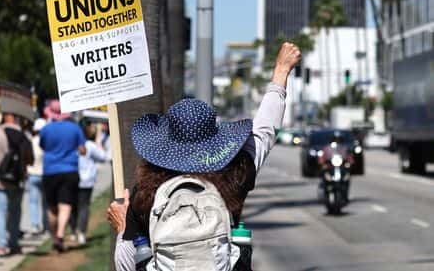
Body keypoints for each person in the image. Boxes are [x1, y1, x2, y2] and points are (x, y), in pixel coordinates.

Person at [110, 42, 301, 270]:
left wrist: (123, 230)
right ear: (214, 139)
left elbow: (127, 265)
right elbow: (264, 131)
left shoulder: (145, 194)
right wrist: (281, 71)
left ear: (163, 145)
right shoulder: (235, 175)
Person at [40, 100, 86, 252]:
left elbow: (43, 146)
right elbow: (82, 150)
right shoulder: (75, 128)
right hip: (69, 169)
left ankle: (55, 237)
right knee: (65, 204)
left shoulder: (45, 129)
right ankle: (60, 235)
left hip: (50, 170)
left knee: (52, 207)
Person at [0, 111, 33, 257]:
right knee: (15, 212)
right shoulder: (23, 136)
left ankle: (0, 245)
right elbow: (29, 159)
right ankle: (13, 243)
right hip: (17, 180)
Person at [70, 123, 110, 245]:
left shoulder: (74, 144)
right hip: (86, 181)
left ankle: (73, 231)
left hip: (73, 178)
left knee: (73, 206)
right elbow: (104, 157)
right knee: (83, 206)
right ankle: (81, 232)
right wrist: (99, 141)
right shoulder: (90, 145)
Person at [27, 118, 48, 236]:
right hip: (45, 174)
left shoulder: (32, 141)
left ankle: (35, 225)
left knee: (33, 202)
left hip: (33, 173)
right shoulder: (47, 141)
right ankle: (46, 225)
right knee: (45, 202)